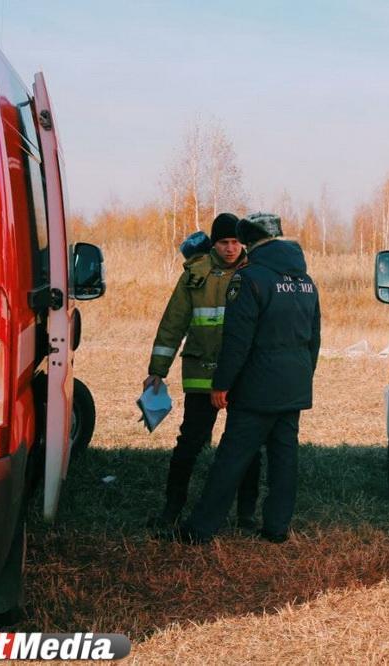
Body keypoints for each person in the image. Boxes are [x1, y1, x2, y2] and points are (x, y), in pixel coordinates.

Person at [178, 212, 321, 544]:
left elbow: (237, 341)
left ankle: (199, 530)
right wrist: (302, 376)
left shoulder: (249, 279)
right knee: (284, 458)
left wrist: (222, 384)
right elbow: (314, 339)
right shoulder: (306, 281)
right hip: (294, 385)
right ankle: (276, 528)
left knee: (230, 459)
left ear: (250, 242)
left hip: (256, 388)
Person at [145, 213, 262, 530]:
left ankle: (246, 514)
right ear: (213, 244)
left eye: (235, 242)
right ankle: (172, 509)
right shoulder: (194, 275)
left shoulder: (255, 273)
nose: (230, 248)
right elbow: (173, 324)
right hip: (202, 374)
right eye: (224, 242)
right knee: (190, 444)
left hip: (244, 375)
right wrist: (157, 370)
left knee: (248, 447)